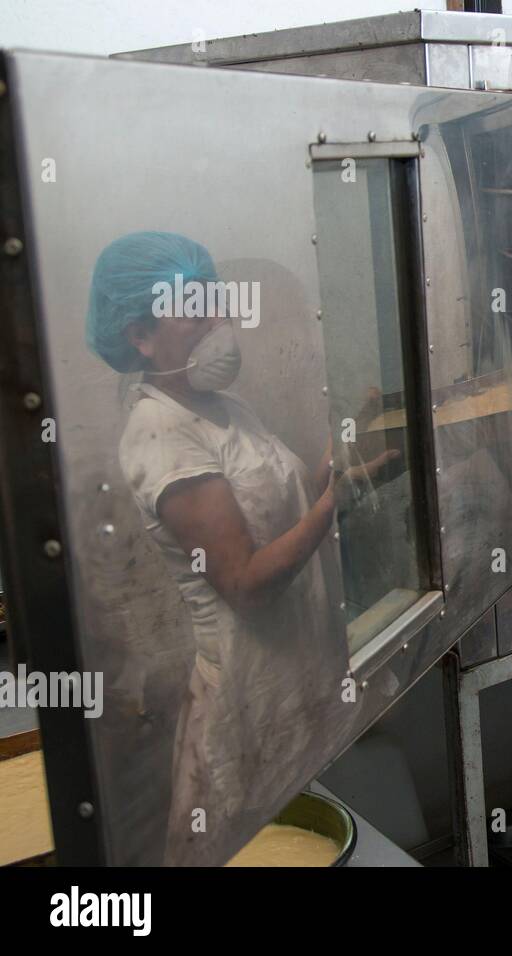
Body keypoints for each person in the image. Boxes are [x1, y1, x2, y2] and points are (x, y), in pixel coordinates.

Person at [86, 231, 393, 863]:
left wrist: (342, 457)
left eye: (216, 302)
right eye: (194, 308)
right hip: (243, 698)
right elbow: (247, 584)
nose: (219, 321)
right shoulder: (161, 436)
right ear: (140, 335)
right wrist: (339, 501)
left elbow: (277, 517)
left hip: (293, 674)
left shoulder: (222, 409)